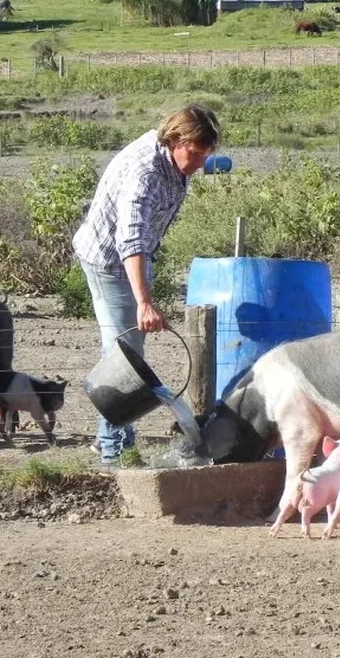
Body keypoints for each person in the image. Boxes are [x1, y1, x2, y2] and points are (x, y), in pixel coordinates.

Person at [72, 104, 221, 464]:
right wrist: (143, 302)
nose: (201, 162)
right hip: (110, 259)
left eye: (207, 154)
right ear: (174, 140)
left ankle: (114, 439)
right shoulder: (145, 172)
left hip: (135, 257)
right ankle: (113, 452)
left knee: (128, 347)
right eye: (196, 152)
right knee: (123, 355)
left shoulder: (172, 159)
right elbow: (130, 238)